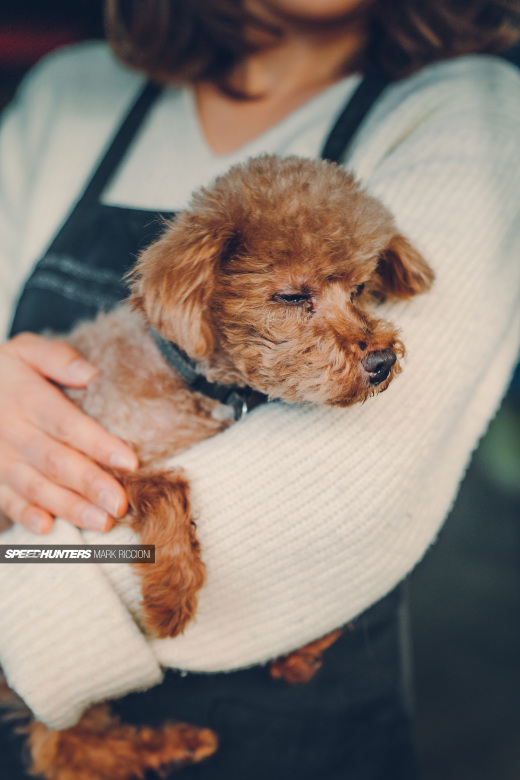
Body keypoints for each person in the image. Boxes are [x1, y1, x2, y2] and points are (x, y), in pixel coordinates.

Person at [1, 1, 520, 777]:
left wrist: (20, 606)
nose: (361, 331)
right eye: (297, 296)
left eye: (355, 290)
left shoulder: (470, 108)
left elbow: (345, 486)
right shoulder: (66, 95)